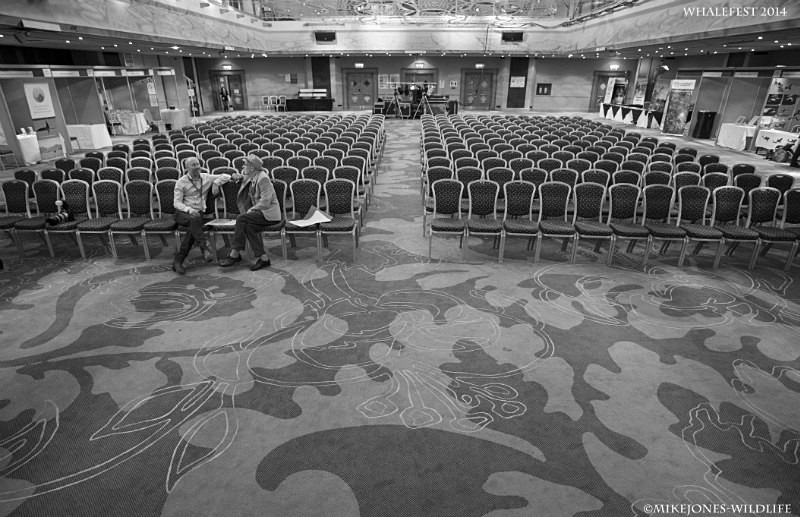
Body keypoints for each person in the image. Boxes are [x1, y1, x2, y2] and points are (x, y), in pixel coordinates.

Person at [218, 155, 281, 271]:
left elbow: (266, 202)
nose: (242, 166)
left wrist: (252, 209)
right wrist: (235, 176)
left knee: (242, 218)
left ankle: (234, 254)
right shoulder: (252, 175)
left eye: (245, 165)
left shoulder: (263, 179)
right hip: (260, 213)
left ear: (252, 167)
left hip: (269, 213)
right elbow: (242, 177)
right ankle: (264, 259)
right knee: (248, 227)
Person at [172, 157, 227, 274]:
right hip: (182, 213)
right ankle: (204, 247)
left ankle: (178, 261)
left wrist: (216, 183)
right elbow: (177, 203)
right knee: (194, 221)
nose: (197, 166)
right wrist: (189, 210)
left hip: (197, 214)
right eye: (193, 165)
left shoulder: (206, 177)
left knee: (193, 227)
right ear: (187, 168)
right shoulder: (181, 182)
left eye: (198, 164)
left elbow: (226, 176)